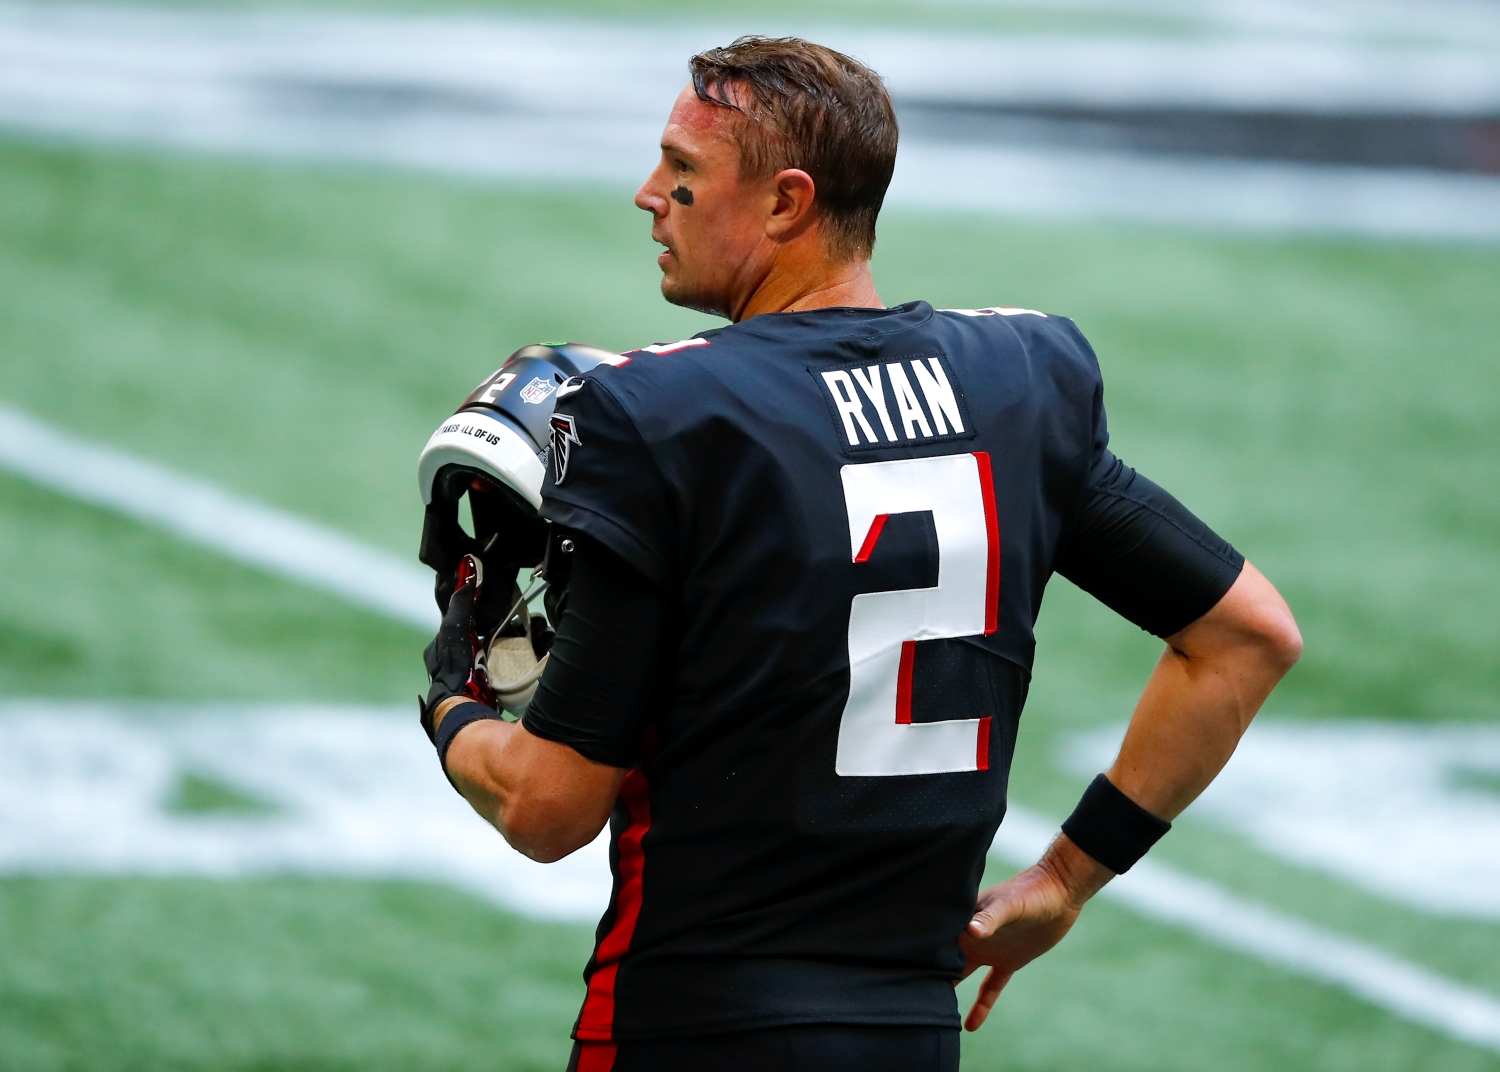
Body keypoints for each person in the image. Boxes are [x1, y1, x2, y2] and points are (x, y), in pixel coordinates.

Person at [419, 35, 1302, 1072]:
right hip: (907, 1035)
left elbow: (547, 808)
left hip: (691, 1022)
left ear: (787, 203)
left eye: (685, 171)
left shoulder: (657, 410)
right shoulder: (1020, 379)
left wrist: (450, 703)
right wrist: (1065, 876)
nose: (648, 193)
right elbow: (1248, 636)